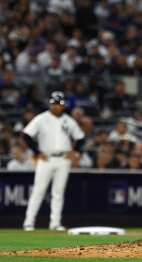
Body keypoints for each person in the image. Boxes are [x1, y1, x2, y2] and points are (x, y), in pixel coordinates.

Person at [22, 91, 85, 231]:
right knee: (38, 190)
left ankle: (55, 223)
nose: (56, 106)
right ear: (50, 104)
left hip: (63, 159)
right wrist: (37, 152)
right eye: (54, 104)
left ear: (63, 106)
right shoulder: (41, 119)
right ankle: (29, 222)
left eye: (59, 104)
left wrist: (75, 151)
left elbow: (80, 138)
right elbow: (26, 135)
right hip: (46, 159)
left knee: (58, 192)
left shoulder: (69, 120)